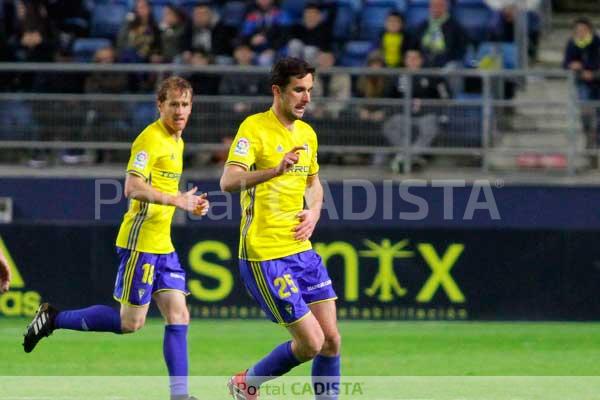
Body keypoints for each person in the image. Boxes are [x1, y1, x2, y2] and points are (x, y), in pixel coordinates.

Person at [22, 76, 209, 400]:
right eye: (173, 104)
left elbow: (158, 188)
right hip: (141, 244)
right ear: (159, 106)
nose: (180, 110)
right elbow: (132, 187)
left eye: (185, 104)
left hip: (162, 243)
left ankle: (180, 396)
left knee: (179, 314)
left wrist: (186, 200)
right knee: (130, 323)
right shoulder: (149, 139)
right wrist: (178, 201)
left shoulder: (177, 141)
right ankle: (54, 319)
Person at [220, 57, 341, 400]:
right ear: (278, 91)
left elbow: (314, 184)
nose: (306, 98)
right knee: (312, 343)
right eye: (298, 90)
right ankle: (247, 384)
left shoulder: (307, 134)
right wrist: (274, 170)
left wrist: (314, 211)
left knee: (331, 340)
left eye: (310, 90)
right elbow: (228, 181)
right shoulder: (254, 128)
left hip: (301, 251)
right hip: (265, 255)